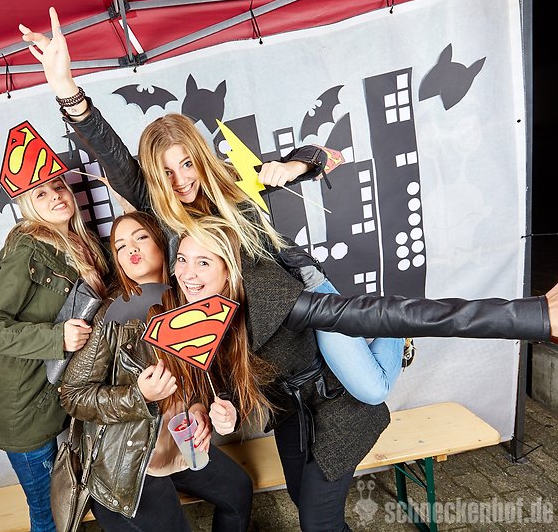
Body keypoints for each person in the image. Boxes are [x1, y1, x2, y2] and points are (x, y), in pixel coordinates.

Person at [20, 7, 410, 405]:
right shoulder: (157, 206)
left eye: (187, 164)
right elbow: (110, 151)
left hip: (302, 295)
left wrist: (293, 166)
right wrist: (65, 87)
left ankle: (395, 324)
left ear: (199, 158)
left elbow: (330, 156)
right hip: (254, 324)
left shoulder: (234, 182)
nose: (180, 180)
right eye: (167, 172)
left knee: (371, 389)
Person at [173, 216, 557, 531]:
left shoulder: (274, 298)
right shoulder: (196, 317)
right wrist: (229, 410)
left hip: (340, 406)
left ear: (229, 268)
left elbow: (389, 313)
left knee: (319, 521)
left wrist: (532, 316)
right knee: (302, 499)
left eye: (203, 262)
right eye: (182, 260)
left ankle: (394, 339)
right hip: (293, 411)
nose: (188, 273)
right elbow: (233, 381)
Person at [59, 212, 254, 532]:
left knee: (238, 492)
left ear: (163, 245)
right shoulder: (113, 315)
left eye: (140, 238)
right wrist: (139, 395)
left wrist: (198, 407)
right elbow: (73, 395)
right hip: (130, 462)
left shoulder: (188, 296)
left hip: (176, 441)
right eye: (121, 246)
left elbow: (201, 376)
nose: (131, 249)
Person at [0, 177, 108, 532]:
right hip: (24, 408)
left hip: (62, 401)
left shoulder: (82, 244)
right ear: (27, 206)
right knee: (49, 516)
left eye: (58, 186)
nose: (55, 196)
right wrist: (57, 337)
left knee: (71, 503)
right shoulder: (30, 251)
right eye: (41, 194)